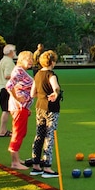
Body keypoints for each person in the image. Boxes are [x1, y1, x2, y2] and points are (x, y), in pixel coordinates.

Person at [30, 50, 62, 178]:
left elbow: (33, 93)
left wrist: (42, 96)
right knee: (50, 135)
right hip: (51, 108)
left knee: (39, 134)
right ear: (52, 62)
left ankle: (36, 165)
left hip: (39, 107)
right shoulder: (51, 75)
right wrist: (55, 93)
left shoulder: (37, 74)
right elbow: (56, 87)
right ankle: (47, 167)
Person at [6, 51, 35, 170]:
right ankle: (14, 162)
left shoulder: (21, 71)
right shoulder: (18, 71)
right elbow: (9, 86)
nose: (31, 62)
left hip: (22, 107)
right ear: (21, 59)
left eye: (32, 59)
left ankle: (17, 158)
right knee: (18, 132)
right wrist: (17, 98)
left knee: (21, 132)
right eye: (28, 59)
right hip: (18, 107)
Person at [0, 44, 16, 137]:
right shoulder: (9, 62)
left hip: (2, 87)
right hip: (6, 88)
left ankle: (3, 130)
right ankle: (1, 131)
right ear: (11, 52)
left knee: (7, 110)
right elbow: (7, 75)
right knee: (6, 110)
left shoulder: (3, 60)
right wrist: (18, 76)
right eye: (14, 51)